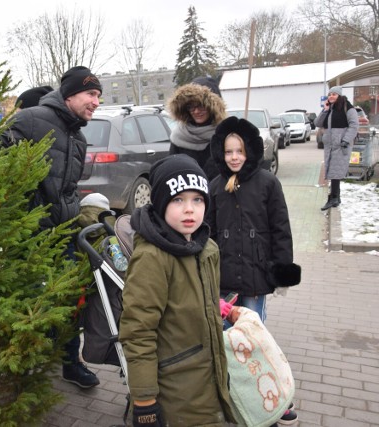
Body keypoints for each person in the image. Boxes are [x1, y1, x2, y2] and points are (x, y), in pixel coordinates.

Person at [1, 66, 102, 389]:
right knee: (30, 307)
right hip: (30, 240)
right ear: (70, 94)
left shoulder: (79, 137)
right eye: (91, 94)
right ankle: (24, 370)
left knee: (72, 302)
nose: (96, 102)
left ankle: (72, 363)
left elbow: (67, 187)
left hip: (65, 238)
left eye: (99, 96)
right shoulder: (30, 120)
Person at [119, 154, 236, 427]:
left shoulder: (207, 248)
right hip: (177, 387)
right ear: (160, 204)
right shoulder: (152, 258)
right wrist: (145, 402)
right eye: (177, 200)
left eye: (197, 199)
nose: (189, 210)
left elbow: (200, 299)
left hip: (211, 376)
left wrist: (224, 309)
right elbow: (138, 332)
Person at [206, 117, 300, 425]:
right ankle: (234, 393)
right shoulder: (216, 186)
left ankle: (274, 396)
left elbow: (280, 227)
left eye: (240, 151)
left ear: (251, 152)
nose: (234, 157)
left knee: (256, 339)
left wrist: (282, 267)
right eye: (229, 151)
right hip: (224, 280)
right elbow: (209, 233)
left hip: (257, 278)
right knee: (226, 341)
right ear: (221, 153)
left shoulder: (267, 183)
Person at [167, 76, 226, 181]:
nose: (196, 111)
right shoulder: (179, 136)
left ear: (213, 107)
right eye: (191, 107)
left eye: (201, 106)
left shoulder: (226, 135)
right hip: (188, 195)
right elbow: (171, 172)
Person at [314, 85, 359, 211]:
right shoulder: (330, 108)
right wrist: (325, 109)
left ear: (339, 95)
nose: (331, 96)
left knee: (335, 171)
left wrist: (345, 140)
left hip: (341, 144)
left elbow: (354, 125)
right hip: (330, 145)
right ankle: (336, 197)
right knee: (332, 170)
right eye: (330, 94)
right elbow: (317, 123)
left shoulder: (348, 108)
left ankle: (333, 197)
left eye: (334, 94)